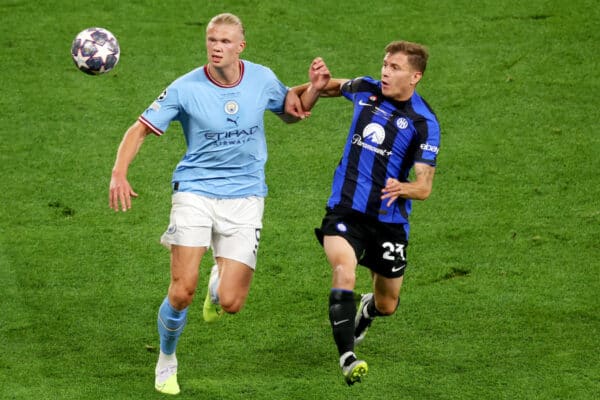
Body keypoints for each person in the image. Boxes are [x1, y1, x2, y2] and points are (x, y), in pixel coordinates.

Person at [108, 13, 330, 395]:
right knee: (182, 290)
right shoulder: (185, 88)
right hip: (195, 192)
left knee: (231, 303)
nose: (216, 47)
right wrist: (119, 173)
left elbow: (292, 112)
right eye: (212, 39)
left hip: (246, 197)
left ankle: (219, 282)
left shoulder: (261, 77)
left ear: (240, 47)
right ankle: (166, 359)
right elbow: (140, 127)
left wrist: (312, 89)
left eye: (225, 41)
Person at [291, 40, 441, 385]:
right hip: (346, 210)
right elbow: (327, 87)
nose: (385, 72)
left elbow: (425, 187)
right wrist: (293, 92)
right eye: (385, 65)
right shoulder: (365, 89)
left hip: (389, 223)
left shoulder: (424, 123)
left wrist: (403, 188)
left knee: (388, 304)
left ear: (415, 76)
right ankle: (347, 356)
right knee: (344, 269)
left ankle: (367, 309)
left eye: (395, 68)